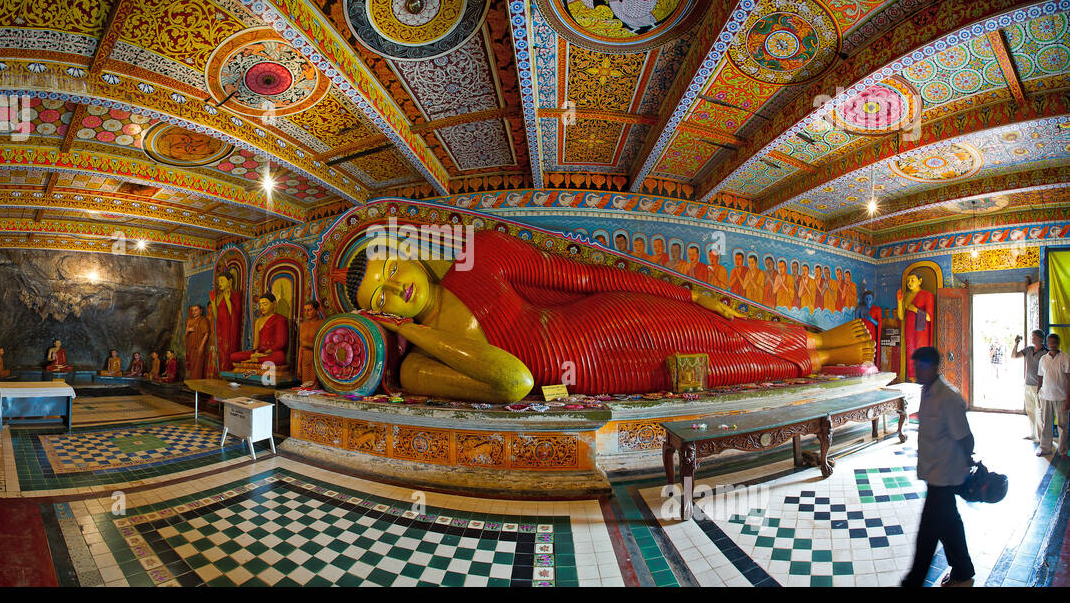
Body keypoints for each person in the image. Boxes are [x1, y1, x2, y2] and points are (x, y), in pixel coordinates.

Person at [338, 230, 873, 402]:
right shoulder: (414, 368)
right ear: (373, 315)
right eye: (378, 297)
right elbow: (514, 381)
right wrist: (417, 335)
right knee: (713, 368)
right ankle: (816, 360)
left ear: (402, 247)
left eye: (386, 266)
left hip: (600, 320)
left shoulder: (475, 257)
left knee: (717, 329)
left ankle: (823, 344)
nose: (393, 288)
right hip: (592, 372)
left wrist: (688, 297)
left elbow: (586, 278)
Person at [902, 346, 976, 588]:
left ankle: (913, 582)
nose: (916, 371)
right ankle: (963, 569)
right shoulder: (927, 392)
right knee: (949, 523)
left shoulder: (948, 397)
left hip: (945, 475)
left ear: (933, 367)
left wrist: (966, 467)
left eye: (920, 367)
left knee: (928, 532)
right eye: (915, 367)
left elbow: (966, 437)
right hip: (934, 472)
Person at [1036, 333, 1069, 459]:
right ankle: (1045, 448)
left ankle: (1063, 451)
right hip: (1046, 396)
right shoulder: (1043, 359)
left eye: (1055, 342)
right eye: (1050, 342)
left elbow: (1069, 378)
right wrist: (1038, 392)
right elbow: (1040, 376)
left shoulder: (1065, 357)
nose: (1053, 345)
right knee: (1046, 424)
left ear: (1058, 343)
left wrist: (1068, 399)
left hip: (1061, 397)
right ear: (1047, 344)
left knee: (1062, 425)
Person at [1012, 330, 1047, 442]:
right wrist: (1016, 344)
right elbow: (1014, 356)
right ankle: (1033, 434)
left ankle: (1041, 437)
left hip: (1039, 386)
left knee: (1039, 412)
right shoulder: (1028, 350)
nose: (1032, 339)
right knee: (1030, 410)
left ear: (1040, 339)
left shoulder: (1045, 352)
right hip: (1028, 385)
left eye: (1033, 337)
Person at [298, 299, 324, 388]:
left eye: (309, 310)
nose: (307, 313)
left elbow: (323, 346)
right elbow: (301, 347)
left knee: (315, 386)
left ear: (317, 311)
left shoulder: (322, 324)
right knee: (305, 386)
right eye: (305, 310)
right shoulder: (303, 325)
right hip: (305, 358)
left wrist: (308, 344)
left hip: (316, 358)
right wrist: (299, 365)